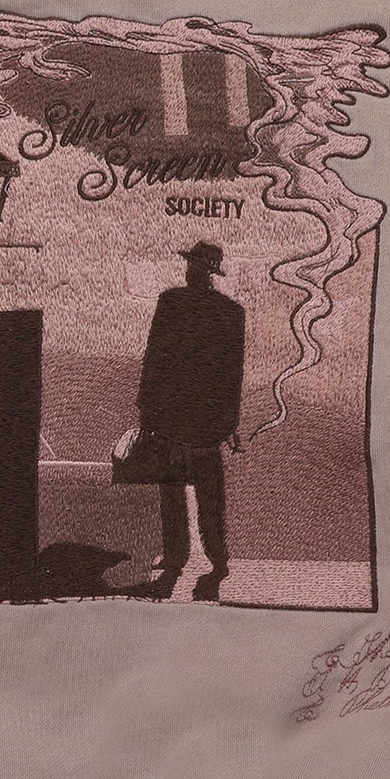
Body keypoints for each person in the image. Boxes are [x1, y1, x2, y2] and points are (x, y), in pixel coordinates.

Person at [137, 240, 245, 600]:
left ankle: (180, 559)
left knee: (175, 494)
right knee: (206, 495)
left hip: (174, 419)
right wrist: (229, 423)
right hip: (204, 422)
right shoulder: (230, 313)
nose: (189, 271)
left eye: (193, 266)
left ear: (201, 271)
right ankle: (214, 561)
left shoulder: (171, 303)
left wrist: (147, 413)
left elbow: (154, 361)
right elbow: (231, 375)